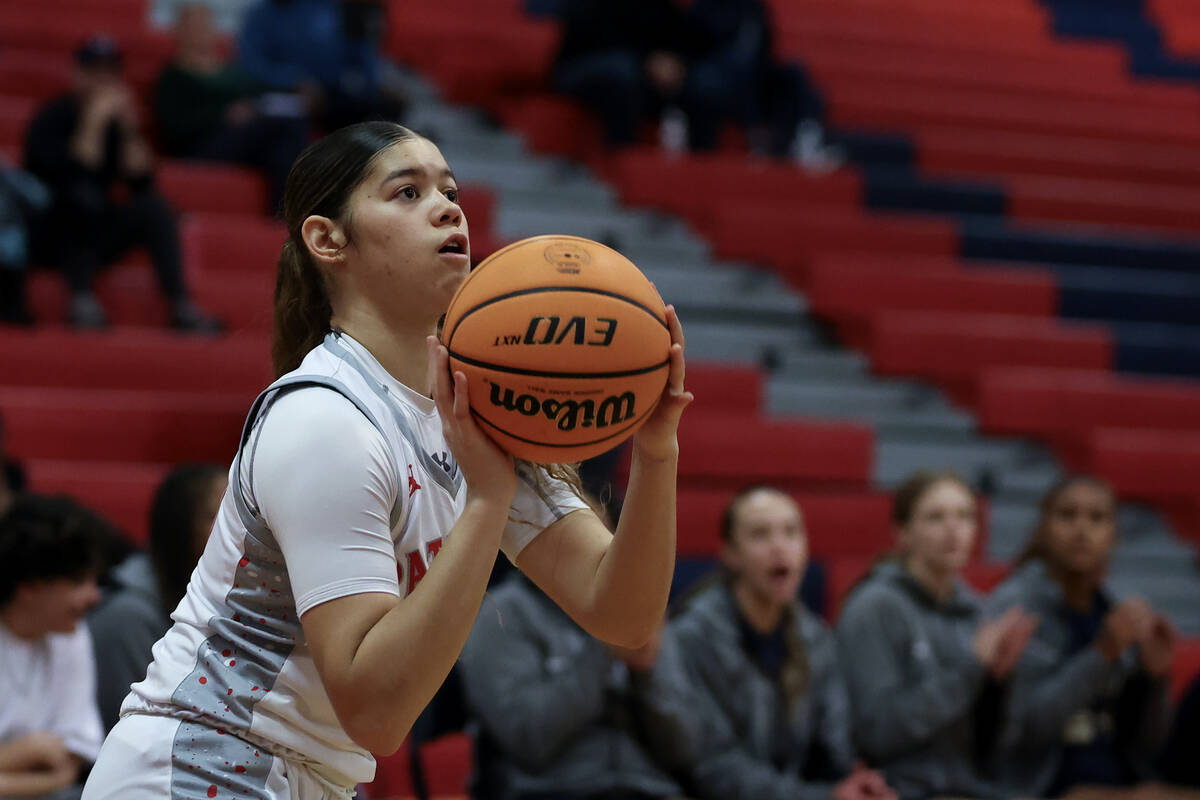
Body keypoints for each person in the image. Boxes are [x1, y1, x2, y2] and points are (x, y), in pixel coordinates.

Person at [80, 120, 691, 800]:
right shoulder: (324, 420)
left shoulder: (476, 410)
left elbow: (624, 615)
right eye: (407, 191)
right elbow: (374, 712)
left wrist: (656, 450)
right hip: (200, 765)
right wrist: (486, 505)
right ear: (327, 239)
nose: (447, 205)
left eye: (451, 189)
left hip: (305, 777)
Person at [665, 486, 895, 800]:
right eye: (760, 534)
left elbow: (832, 748)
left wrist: (856, 783)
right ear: (731, 554)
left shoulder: (815, 637)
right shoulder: (691, 636)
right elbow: (710, 766)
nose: (780, 547)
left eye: (791, 532)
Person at [835, 470, 1037, 800]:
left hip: (968, 787)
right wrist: (970, 669)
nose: (953, 529)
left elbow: (996, 752)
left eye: (964, 516)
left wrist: (998, 684)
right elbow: (876, 733)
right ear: (903, 533)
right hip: (896, 790)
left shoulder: (977, 611)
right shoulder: (873, 607)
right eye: (935, 517)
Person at [987, 476, 1175, 799]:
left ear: (1114, 535)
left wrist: (1153, 680)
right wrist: (1100, 655)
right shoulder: (1016, 606)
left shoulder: (1116, 607)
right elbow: (1024, 730)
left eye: (1096, 518)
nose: (1081, 529)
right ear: (1043, 527)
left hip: (1117, 780)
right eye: (1067, 515)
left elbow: (1146, 745)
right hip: (1039, 786)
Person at [22, 35, 221, 331]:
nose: (102, 81)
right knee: (80, 198)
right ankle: (81, 297)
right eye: (94, 72)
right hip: (51, 231)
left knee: (153, 209)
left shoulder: (117, 125)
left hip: (97, 231)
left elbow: (141, 180)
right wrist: (93, 120)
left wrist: (128, 129)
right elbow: (70, 174)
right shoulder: (52, 118)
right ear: (77, 74)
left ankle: (180, 304)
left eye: (109, 73)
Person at [459, 570, 696, 800]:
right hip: (548, 790)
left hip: (648, 788)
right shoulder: (503, 613)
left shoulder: (638, 607)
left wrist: (647, 672)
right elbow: (527, 739)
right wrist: (603, 651)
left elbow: (685, 749)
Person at [88, 464, 228, 732]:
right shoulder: (127, 615)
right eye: (213, 516)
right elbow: (125, 729)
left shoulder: (215, 595)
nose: (231, 530)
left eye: (232, 516)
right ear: (179, 527)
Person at [0, 495, 111, 800]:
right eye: (78, 582)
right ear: (28, 587)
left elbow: (70, 763)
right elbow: (56, 770)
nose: (94, 597)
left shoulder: (71, 635)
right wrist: (30, 750)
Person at [153, 2, 312, 214]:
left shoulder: (233, 72)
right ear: (179, 31)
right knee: (282, 126)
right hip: (204, 146)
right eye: (194, 25)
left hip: (245, 139)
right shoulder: (173, 77)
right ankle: (290, 213)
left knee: (284, 142)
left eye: (205, 24)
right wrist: (223, 115)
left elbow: (257, 97)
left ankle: (285, 217)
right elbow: (174, 128)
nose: (202, 31)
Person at [237, 0, 407, 135]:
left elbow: (363, 58)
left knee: (387, 107)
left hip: (333, 94)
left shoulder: (338, 9)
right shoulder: (262, 14)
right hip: (286, 95)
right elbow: (251, 64)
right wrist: (294, 81)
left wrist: (375, 84)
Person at [551, 0, 697, 149]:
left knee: (703, 82)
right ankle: (621, 157)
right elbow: (596, 35)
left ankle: (695, 157)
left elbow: (678, 35)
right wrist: (647, 61)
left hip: (639, 69)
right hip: (581, 66)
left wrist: (673, 60)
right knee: (622, 75)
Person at [0, 155, 50, 325]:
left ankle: (13, 306)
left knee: (12, 241)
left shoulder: (8, 175)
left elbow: (41, 199)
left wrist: (10, 175)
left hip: (8, 235)